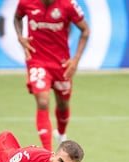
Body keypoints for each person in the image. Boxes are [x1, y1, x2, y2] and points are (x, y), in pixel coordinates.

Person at [14, 0, 90, 151]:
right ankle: (48, 153)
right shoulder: (26, 2)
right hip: (37, 61)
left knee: (63, 104)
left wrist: (76, 60)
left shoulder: (69, 5)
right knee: (43, 101)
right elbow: (17, 17)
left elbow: (85, 30)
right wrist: (20, 37)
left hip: (61, 64)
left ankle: (61, 134)